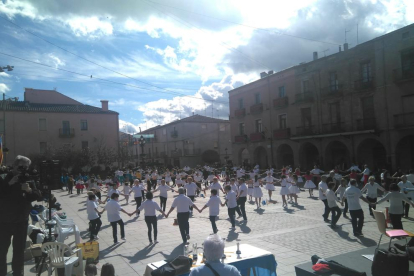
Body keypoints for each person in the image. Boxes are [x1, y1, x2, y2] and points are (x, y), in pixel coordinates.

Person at [0, 155, 42, 276]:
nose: (23, 169)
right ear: (14, 166)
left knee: (19, 252)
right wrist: (10, 183)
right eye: (21, 166)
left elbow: (37, 195)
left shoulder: (27, 179)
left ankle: (18, 273)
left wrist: (29, 190)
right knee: (2, 251)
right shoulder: (3, 177)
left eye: (26, 167)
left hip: (21, 222)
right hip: (4, 221)